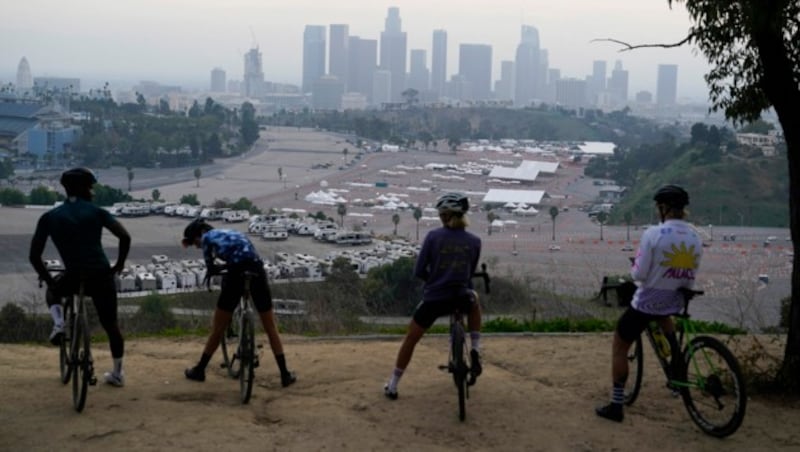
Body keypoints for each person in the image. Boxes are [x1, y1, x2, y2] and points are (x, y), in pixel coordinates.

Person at [596, 185, 703, 422]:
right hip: (677, 298)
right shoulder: (696, 235)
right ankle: (676, 365)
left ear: (663, 208)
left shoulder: (653, 234)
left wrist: (635, 267)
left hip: (649, 300)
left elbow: (640, 275)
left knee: (620, 345)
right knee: (664, 316)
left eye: (659, 208)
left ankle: (616, 405)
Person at [29, 167, 131, 387]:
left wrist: (49, 280)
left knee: (52, 291)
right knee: (111, 325)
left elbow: (34, 256)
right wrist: (119, 264)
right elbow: (124, 236)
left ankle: (58, 324)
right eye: (91, 187)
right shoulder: (96, 212)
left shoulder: (50, 217)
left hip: (73, 275)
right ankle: (117, 373)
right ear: (84, 188)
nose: (93, 192)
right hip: (101, 276)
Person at [384, 192, 483, 400]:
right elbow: (469, 273)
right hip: (461, 295)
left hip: (435, 299)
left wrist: (434, 280)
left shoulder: (433, 237)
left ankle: (393, 384)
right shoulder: (475, 241)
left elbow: (419, 270)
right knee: (474, 300)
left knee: (411, 338)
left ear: (447, 216)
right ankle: (475, 348)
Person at [181, 218, 296, 387]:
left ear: (198, 236)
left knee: (218, 328)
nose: (197, 246)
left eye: (194, 243)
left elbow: (211, 268)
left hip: (236, 273)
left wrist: (218, 270)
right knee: (270, 327)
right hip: (256, 269)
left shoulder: (206, 238)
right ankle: (285, 374)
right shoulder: (233, 232)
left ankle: (200, 370)